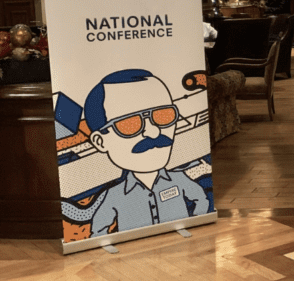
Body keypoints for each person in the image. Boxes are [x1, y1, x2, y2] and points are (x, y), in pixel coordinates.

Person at [85, 69, 211, 236]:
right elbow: (98, 228)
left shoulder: (180, 179)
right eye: (129, 124)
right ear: (100, 142)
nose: (153, 132)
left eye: (163, 115)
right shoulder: (114, 195)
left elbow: (200, 200)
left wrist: (195, 223)